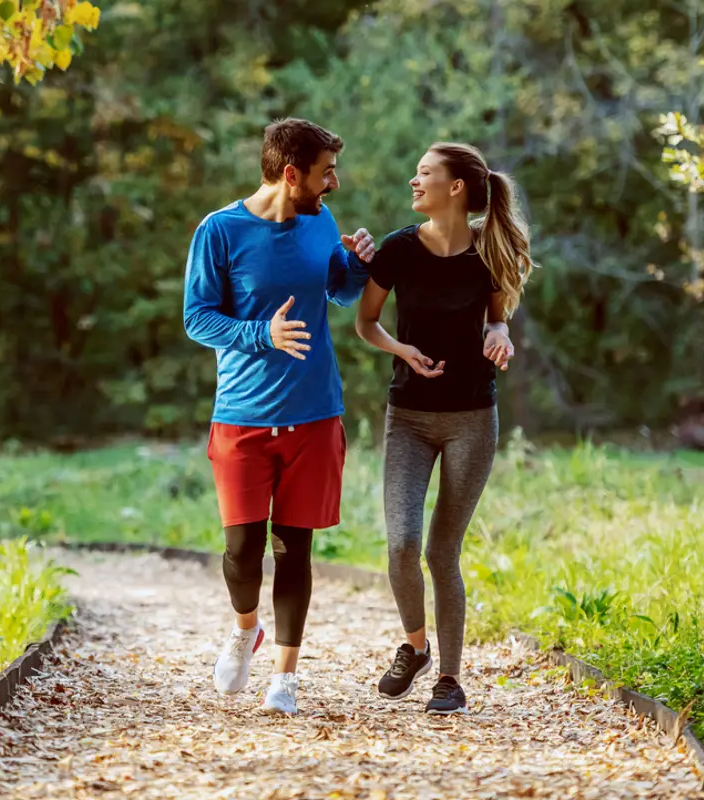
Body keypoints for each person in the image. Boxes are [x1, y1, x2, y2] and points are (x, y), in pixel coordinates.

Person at [184, 118, 375, 715]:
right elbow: (197, 318)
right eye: (325, 173)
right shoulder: (220, 231)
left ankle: (285, 678)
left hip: (315, 414)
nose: (334, 183)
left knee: (295, 550)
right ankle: (246, 630)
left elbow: (337, 293)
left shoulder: (322, 222)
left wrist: (357, 267)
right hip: (242, 416)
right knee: (242, 552)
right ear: (291, 174)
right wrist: (260, 334)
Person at [355, 142, 535, 714]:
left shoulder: (489, 250)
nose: (414, 181)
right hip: (407, 415)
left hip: (472, 421)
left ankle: (450, 681)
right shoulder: (399, 249)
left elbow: (498, 317)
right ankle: (414, 647)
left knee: (441, 551)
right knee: (402, 542)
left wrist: (501, 334)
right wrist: (402, 350)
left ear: (455, 187)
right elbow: (365, 321)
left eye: (425, 173)